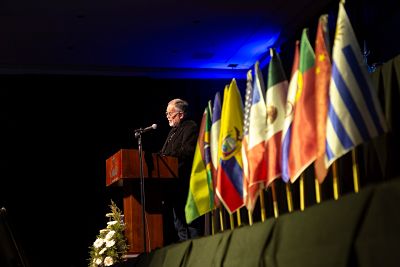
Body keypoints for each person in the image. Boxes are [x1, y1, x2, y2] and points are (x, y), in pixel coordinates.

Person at [160, 98, 204, 242]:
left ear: (181, 114)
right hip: (173, 185)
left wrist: (166, 156)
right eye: (166, 113)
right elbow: (164, 153)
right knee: (179, 225)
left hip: (185, 183)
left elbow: (187, 151)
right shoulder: (172, 132)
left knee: (191, 224)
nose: (167, 116)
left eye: (170, 113)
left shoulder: (190, 126)